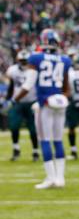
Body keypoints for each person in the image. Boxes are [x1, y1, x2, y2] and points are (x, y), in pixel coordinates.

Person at [12, 29, 71, 189]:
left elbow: (28, 84)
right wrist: (62, 97)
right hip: (60, 103)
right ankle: (60, 178)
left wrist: (14, 99)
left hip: (45, 102)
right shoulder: (64, 60)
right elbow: (67, 88)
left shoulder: (36, 58)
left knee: (45, 139)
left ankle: (51, 178)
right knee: (58, 139)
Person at [4, 50, 39, 161]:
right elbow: (11, 86)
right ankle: (16, 149)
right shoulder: (13, 70)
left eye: (25, 61)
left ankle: (35, 151)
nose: (24, 63)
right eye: (22, 61)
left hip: (32, 102)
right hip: (17, 103)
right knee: (14, 126)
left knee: (33, 129)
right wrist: (8, 98)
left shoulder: (34, 70)